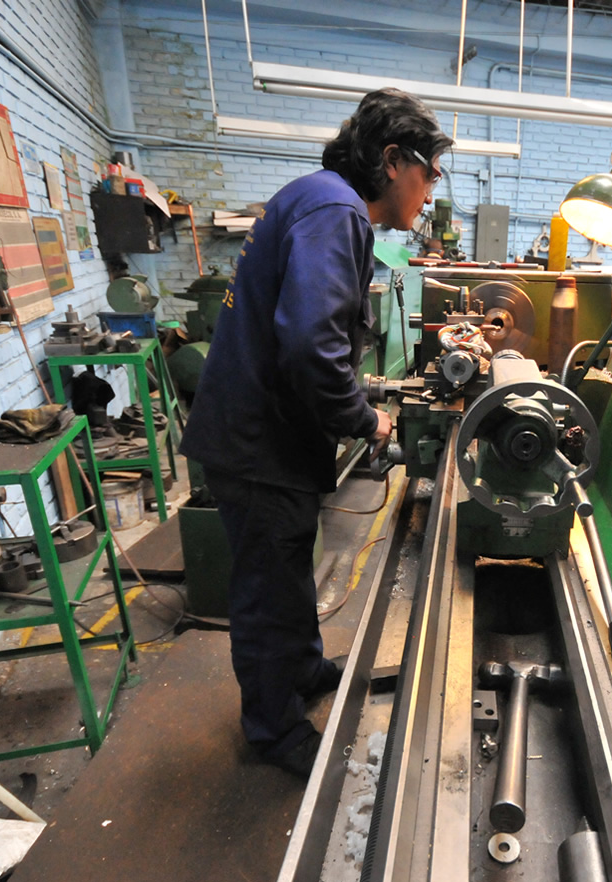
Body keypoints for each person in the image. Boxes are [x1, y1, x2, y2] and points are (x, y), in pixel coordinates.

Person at [180, 89, 453, 777]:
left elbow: (309, 337)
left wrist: (354, 400)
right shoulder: (334, 209)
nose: (431, 189)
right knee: (268, 586)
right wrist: (366, 418)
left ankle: (299, 669)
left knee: (288, 563)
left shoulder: (318, 198)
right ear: (393, 161)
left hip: (267, 432)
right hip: (258, 441)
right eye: (431, 170)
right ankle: (273, 727)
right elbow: (308, 344)